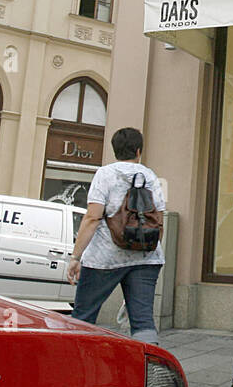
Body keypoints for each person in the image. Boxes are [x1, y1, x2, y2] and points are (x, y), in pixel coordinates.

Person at [67, 127, 167, 344]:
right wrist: (146, 249)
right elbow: (159, 220)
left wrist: (76, 257)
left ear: (114, 150)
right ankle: (149, 370)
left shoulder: (105, 174)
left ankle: (76, 366)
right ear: (139, 151)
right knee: (142, 322)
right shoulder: (150, 175)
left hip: (104, 258)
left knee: (83, 317)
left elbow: (93, 218)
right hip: (146, 259)